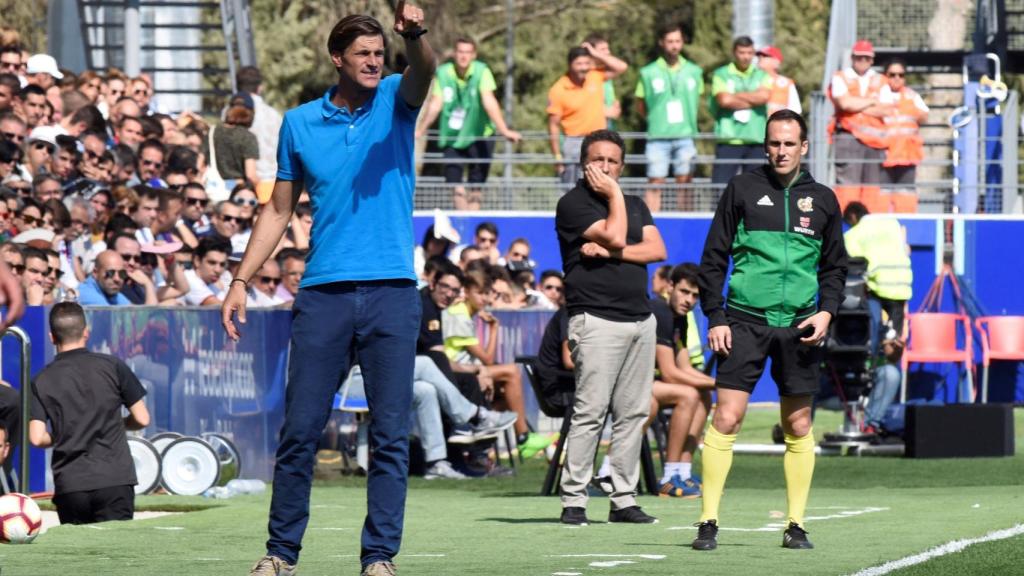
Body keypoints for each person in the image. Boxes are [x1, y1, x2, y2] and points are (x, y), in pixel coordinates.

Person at [221, 6, 435, 576]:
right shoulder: (298, 123)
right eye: (363, 53)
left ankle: (379, 557)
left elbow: (423, 73)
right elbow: (278, 210)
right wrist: (239, 281)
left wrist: (412, 37)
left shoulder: (396, 98)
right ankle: (281, 552)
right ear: (337, 59)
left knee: (390, 435)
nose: (374, 61)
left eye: (379, 53)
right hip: (323, 294)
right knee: (300, 431)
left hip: (393, 292)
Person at [693, 109, 847, 551]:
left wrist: (826, 312)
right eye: (774, 143)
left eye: (789, 143)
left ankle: (795, 524)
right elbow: (713, 258)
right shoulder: (741, 188)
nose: (781, 151)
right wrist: (716, 316)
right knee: (727, 417)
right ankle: (708, 521)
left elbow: (836, 267)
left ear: (804, 147)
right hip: (742, 320)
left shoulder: (823, 199)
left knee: (798, 425)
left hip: (801, 326)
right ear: (766, 146)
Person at [554, 129, 666, 526]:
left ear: (622, 165)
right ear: (583, 163)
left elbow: (657, 249)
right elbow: (618, 233)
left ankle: (623, 498)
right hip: (597, 318)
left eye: (612, 161)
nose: (605, 167)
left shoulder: (637, 204)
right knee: (590, 412)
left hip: (640, 319)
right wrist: (615, 198)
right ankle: (574, 500)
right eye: (597, 159)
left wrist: (609, 252)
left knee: (633, 413)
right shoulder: (573, 204)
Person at [28, 301, 151, 525]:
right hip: (115, 479)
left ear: (51, 337)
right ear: (86, 332)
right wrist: (120, 423)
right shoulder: (112, 366)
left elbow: (36, 438)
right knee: (116, 554)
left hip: (71, 484)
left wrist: (63, 433)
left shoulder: (41, 379)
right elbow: (142, 418)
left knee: (79, 558)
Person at [441, 269, 550, 456]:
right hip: (452, 371)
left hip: (467, 371)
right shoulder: (459, 314)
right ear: (466, 292)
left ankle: (482, 450)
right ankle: (523, 438)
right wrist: (494, 329)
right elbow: (487, 359)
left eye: (487, 293)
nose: (484, 298)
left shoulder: (467, 313)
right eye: (479, 292)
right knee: (512, 372)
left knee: (505, 393)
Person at [416, 37, 521, 210]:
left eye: (467, 52)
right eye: (460, 52)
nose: (463, 56)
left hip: (480, 134)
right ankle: (462, 220)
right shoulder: (443, 73)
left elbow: (489, 101)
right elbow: (435, 103)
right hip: (452, 136)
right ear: (454, 54)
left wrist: (504, 130)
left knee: (476, 187)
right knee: (455, 185)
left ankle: (473, 224)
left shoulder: (482, 71)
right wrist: (420, 130)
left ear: (474, 55)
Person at [842, 201, 911, 431]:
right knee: (891, 349)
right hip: (901, 290)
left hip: (877, 290)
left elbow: (851, 264)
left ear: (852, 216)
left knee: (885, 361)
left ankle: (869, 423)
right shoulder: (892, 225)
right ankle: (869, 422)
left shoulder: (853, 235)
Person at [649, 263, 714, 498]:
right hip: (632, 382)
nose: (689, 300)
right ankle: (668, 476)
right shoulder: (660, 311)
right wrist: (717, 383)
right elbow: (670, 373)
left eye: (695, 296)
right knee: (689, 394)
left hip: (652, 384)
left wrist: (715, 383)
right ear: (670, 286)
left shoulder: (682, 319)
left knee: (703, 393)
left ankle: (683, 472)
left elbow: (684, 366)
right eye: (684, 292)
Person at [635, 23, 703, 212]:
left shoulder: (694, 71)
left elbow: (699, 99)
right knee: (655, 180)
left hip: (686, 135)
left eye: (678, 41)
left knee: (685, 180)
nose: (674, 45)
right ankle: (651, 224)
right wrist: (655, 119)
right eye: (670, 41)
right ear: (662, 43)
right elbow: (640, 104)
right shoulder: (648, 72)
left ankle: (685, 222)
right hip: (657, 136)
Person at [547, 45, 627, 185]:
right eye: (579, 63)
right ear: (569, 64)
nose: (583, 67)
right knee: (572, 188)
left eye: (586, 63)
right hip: (573, 143)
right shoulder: (558, 89)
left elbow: (621, 67)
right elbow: (553, 125)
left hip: (599, 140)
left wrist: (596, 53)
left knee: (601, 185)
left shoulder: (595, 75)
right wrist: (557, 157)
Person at [710, 36, 772, 188]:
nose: (746, 57)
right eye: (742, 52)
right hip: (729, 139)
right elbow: (723, 100)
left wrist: (735, 96)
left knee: (756, 188)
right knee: (721, 188)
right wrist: (752, 98)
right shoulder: (721, 74)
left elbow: (764, 97)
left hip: (755, 139)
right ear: (734, 53)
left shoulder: (761, 75)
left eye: (750, 53)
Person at [829, 40, 888, 186]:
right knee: (848, 186)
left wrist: (856, 104)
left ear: (872, 60)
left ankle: (870, 211)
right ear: (852, 58)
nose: (862, 61)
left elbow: (886, 109)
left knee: (872, 188)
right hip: (848, 137)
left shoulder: (881, 79)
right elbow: (844, 104)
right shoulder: (840, 76)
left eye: (866, 58)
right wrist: (872, 101)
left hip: (875, 141)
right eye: (859, 57)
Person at [878, 59, 928, 188]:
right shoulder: (878, 95)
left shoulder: (912, 96)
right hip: (884, 155)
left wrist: (909, 111)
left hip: (907, 155)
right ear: (885, 76)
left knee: (905, 196)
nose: (897, 78)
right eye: (892, 75)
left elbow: (924, 116)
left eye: (901, 75)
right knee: (883, 196)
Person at [757, 45, 801, 116]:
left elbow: (795, 110)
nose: (761, 58)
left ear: (776, 61)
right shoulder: (752, 80)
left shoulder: (786, 83)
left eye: (765, 56)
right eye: (759, 56)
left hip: (776, 124)